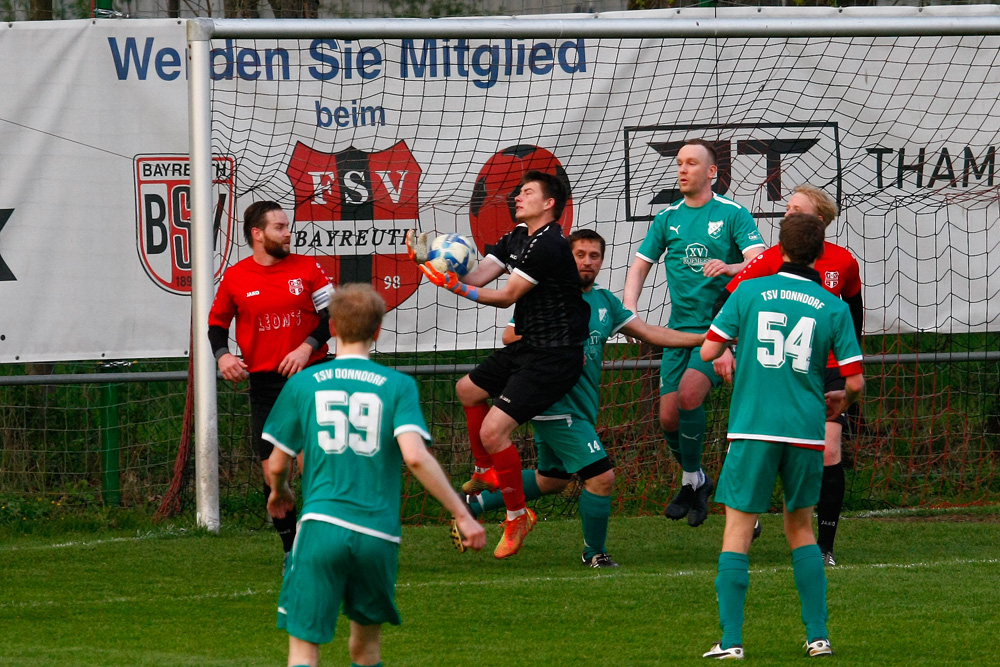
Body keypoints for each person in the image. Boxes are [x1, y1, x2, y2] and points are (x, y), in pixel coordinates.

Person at [263, 283, 486, 667]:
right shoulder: (398, 386)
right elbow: (416, 457)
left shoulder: (302, 383)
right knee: (365, 649)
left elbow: (278, 462)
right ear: (379, 329)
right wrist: (462, 514)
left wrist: (279, 492)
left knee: (303, 649)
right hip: (378, 534)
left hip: (321, 528)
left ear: (331, 327)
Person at [466, 229, 705, 567]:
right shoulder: (548, 295)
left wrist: (706, 340)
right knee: (602, 477)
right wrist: (559, 346)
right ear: (567, 257)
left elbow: (651, 332)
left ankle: (472, 503)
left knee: (552, 479)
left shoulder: (606, 301)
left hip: (581, 406)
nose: (587, 262)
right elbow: (509, 334)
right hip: (553, 403)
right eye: (580, 254)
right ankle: (595, 552)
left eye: (594, 256)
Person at [699, 212, 864, 660]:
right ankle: (818, 637)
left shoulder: (750, 291)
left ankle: (731, 641)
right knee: (801, 528)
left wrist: (737, 351)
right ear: (820, 249)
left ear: (782, 248)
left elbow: (709, 349)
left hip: (753, 426)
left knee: (736, 529)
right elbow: (855, 381)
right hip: (806, 431)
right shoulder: (831, 304)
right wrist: (840, 404)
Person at [408, 170, 589, 559]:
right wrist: (428, 256)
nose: (517, 198)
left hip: (556, 356)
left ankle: (517, 515)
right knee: (467, 389)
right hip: (530, 346)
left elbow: (507, 296)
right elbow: (477, 274)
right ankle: (484, 470)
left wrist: (455, 287)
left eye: (526, 193)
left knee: (494, 431)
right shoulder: (516, 237)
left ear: (549, 203)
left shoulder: (550, 243)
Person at [714, 184, 863, 566]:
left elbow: (853, 315)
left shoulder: (844, 261)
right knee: (762, 441)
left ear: (818, 219)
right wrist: (727, 349)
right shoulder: (773, 258)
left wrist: (850, 372)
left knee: (830, 450)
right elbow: (726, 300)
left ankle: (825, 547)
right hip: (779, 371)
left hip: (826, 369)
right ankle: (750, 514)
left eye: (795, 209)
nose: (786, 214)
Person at [623, 139, 765, 527]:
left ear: (712, 172)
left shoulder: (733, 214)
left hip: (717, 333)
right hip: (677, 333)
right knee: (669, 419)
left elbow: (760, 264)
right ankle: (697, 479)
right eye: (679, 163)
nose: (682, 169)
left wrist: (730, 265)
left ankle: (694, 482)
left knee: (688, 396)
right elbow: (639, 267)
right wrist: (630, 312)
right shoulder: (668, 218)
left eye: (691, 163)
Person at [208, 200, 334, 565]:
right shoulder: (236, 277)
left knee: (315, 465)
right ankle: (291, 551)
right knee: (274, 474)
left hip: (311, 376)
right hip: (265, 386)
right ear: (257, 234)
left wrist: (305, 347)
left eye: (287, 225)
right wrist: (224, 356)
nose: (287, 232)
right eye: (279, 227)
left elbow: (332, 317)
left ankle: (322, 544)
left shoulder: (308, 269)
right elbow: (216, 326)